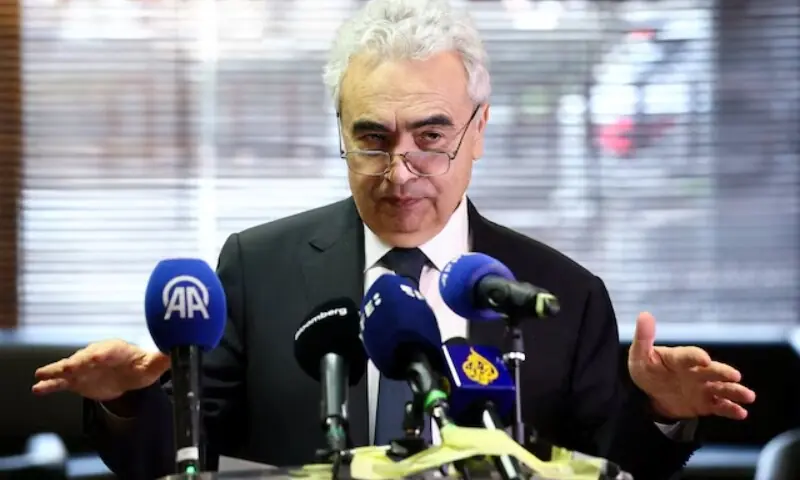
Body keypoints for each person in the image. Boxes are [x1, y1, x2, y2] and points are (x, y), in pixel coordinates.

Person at [32, 1, 756, 479]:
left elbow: (608, 465)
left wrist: (661, 414)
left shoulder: (558, 295)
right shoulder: (256, 268)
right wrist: (128, 402)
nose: (400, 169)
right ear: (340, 132)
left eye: (431, 137)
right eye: (372, 138)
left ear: (479, 130)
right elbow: (185, 459)